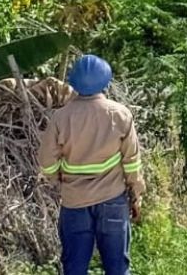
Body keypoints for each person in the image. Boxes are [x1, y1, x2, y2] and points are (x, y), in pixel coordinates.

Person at [38, 55, 145, 275]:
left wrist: (56, 180)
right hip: (113, 201)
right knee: (117, 268)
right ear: (105, 82)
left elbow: (47, 161)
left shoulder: (61, 117)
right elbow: (131, 162)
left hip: (74, 203)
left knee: (75, 267)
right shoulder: (120, 115)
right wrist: (137, 195)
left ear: (74, 83)